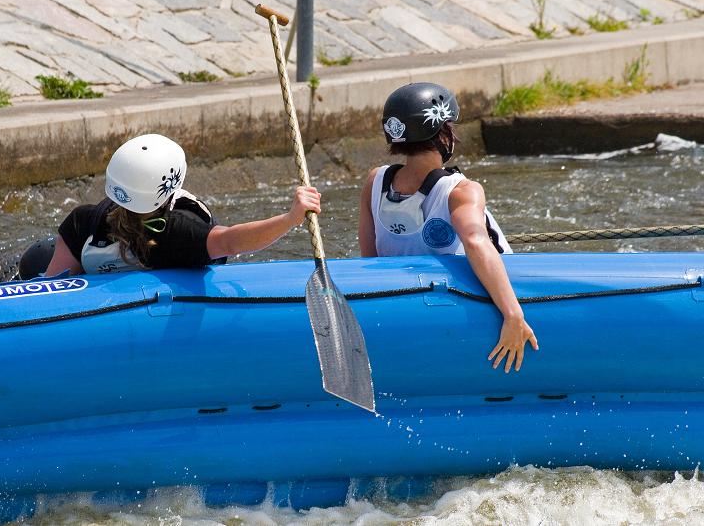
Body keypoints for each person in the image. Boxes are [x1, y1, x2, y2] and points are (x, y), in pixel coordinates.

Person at [358, 82, 538, 373]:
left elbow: (369, 259)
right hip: (465, 300)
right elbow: (477, 241)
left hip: (403, 303)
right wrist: (513, 314)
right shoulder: (462, 191)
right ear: (443, 134)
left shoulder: (374, 182)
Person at [45, 133, 320, 276]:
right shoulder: (178, 232)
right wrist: (289, 218)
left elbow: (53, 287)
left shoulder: (81, 221)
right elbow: (231, 241)